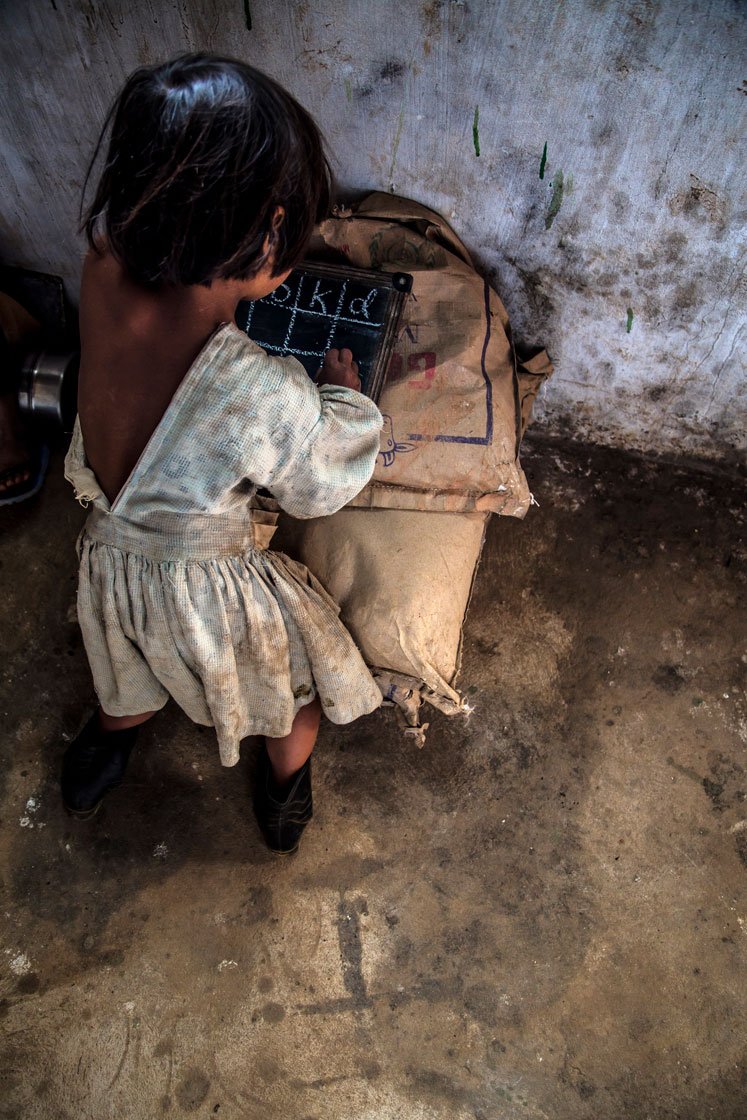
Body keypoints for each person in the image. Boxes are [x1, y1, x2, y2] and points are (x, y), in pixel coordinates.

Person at [61, 54, 383, 853]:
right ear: (270, 229)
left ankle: (107, 742)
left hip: (112, 559)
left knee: (128, 669)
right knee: (293, 692)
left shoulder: (103, 264)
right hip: (207, 591)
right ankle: (282, 792)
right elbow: (319, 482)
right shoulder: (248, 387)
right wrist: (342, 395)